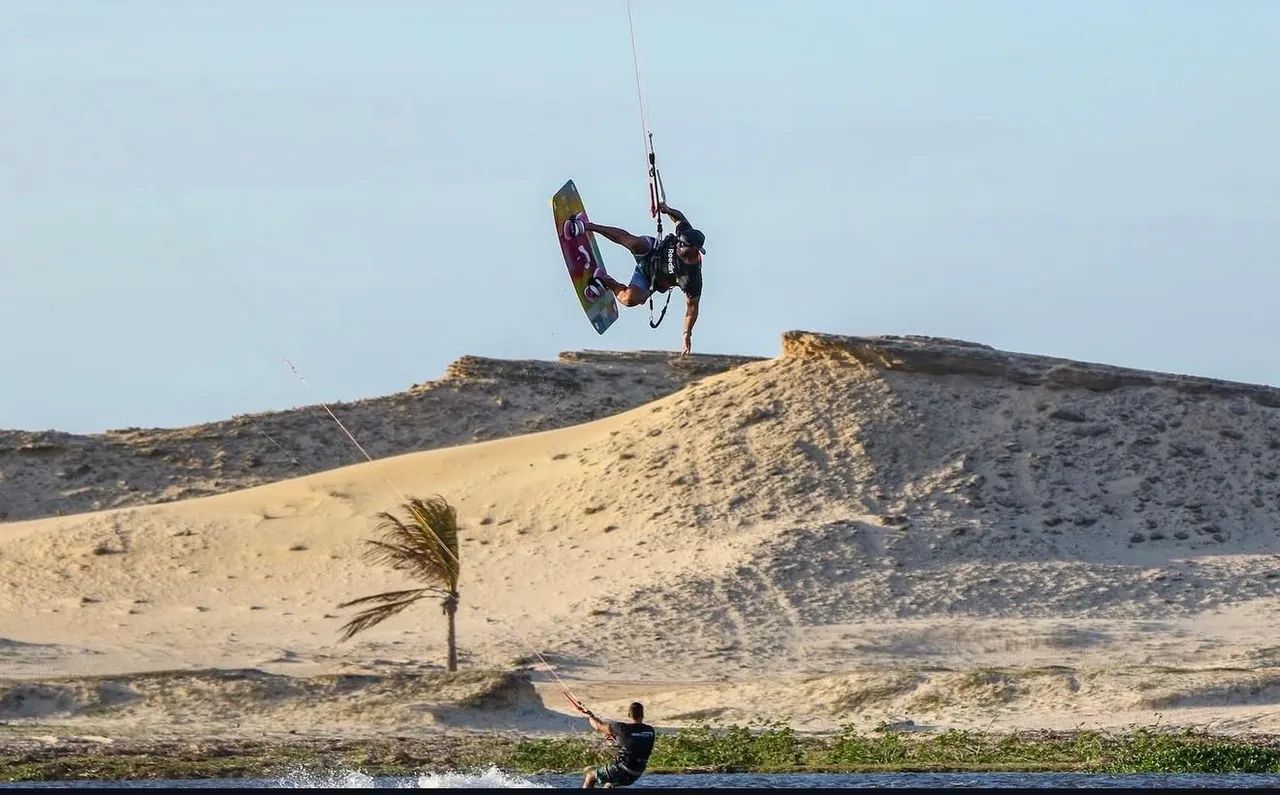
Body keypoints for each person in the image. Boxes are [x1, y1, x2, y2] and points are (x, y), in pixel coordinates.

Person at [563, 202, 705, 356]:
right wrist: (668, 210)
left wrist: (686, 334)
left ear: (693, 249)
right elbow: (679, 218)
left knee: (629, 300)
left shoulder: (691, 278)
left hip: (649, 278)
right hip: (651, 250)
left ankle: (604, 281)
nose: (678, 245)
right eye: (679, 242)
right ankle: (587, 226)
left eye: (681, 245)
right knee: (634, 243)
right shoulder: (686, 234)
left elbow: (692, 308)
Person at [577, 700, 656, 789]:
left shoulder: (622, 728)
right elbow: (635, 741)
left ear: (629, 715)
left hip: (622, 769)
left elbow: (598, 726)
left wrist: (590, 715)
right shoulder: (650, 731)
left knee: (590, 776)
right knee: (609, 784)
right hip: (637, 773)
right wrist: (617, 739)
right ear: (642, 715)